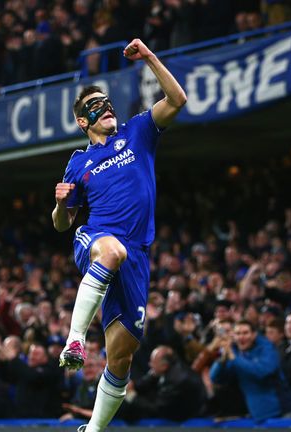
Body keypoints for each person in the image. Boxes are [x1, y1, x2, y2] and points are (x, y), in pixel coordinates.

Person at [51, 37, 186, 432]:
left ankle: (92, 430)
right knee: (111, 252)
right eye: (95, 106)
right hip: (96, 238)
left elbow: (177, 99)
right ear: (82, 122)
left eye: (107, 103)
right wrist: (61, 205)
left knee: (121, 358)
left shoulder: (138, 131)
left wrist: (148, 58)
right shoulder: (78, 163)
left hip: (138, 253)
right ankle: (75, 340)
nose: (105, 108)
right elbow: (63, 224)